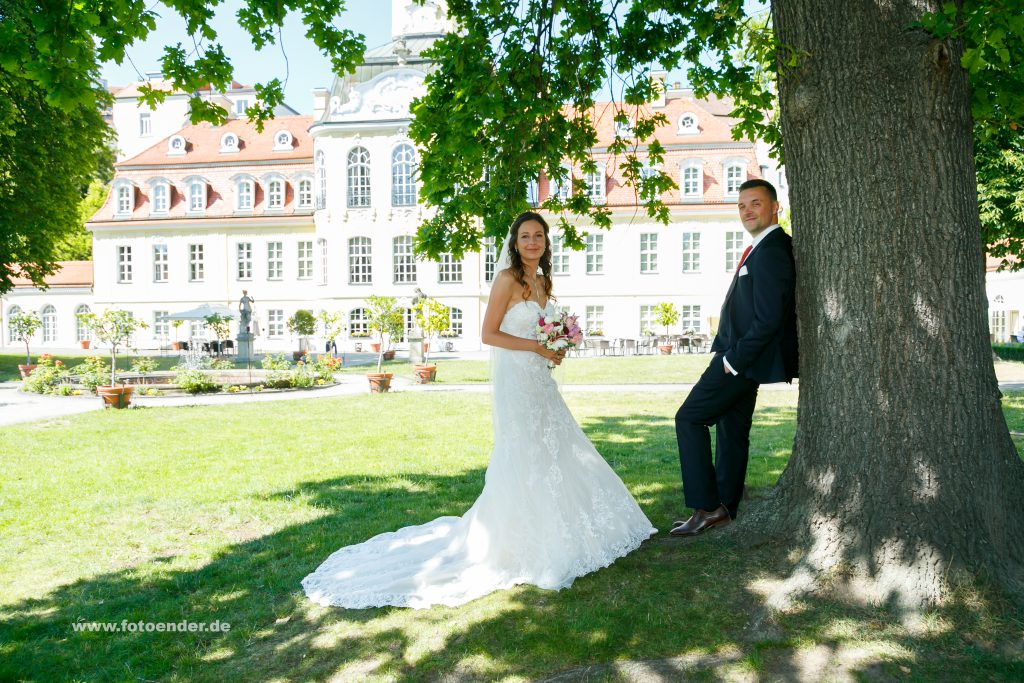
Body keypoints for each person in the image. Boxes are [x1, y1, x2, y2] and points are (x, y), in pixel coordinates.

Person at [302, 211, 656, 609]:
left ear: (546, 242)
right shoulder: (507, 279)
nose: (532, 242)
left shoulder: (543, 282)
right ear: (515, 242)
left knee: (554, 445)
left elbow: (543, 331)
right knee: (523, 450)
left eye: (538, 235)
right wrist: (538, 347)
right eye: (525, 236)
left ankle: (564, 527)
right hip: (515, 378)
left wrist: (554, 350)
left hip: (539, 377)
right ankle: (527, 539)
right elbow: (488, 334)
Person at [671, 179, 798, 537]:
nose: (747, 211)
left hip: (740, 360)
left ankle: (707, 506)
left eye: (755, 203)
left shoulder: (773, 249)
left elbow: (769, 318)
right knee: (731, 431)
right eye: (742, 206)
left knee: (689, 419)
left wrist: (732, 361)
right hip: (741, 359)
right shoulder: (761, 247)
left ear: (775, 208)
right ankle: (725, 508)